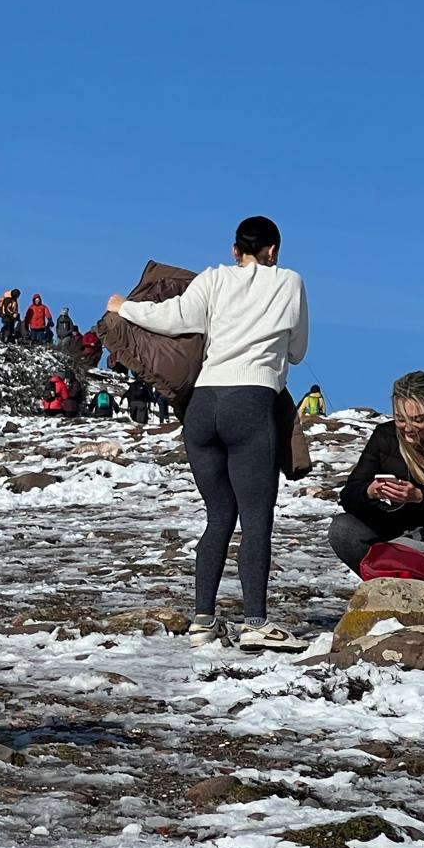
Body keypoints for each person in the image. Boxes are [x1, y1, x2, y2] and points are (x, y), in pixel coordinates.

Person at [107, 215, 309, 652]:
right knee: (256, 521)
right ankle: (255, 621)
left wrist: (124, 308)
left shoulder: (213, 279)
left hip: (202, 408)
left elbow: (172, 317)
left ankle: (203, 620)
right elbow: (297, 351)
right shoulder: (289, 282)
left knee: (219, 517)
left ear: (235, 250)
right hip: (250, 403)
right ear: (272, 251)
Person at [330, 372, 424, 575]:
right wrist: (370, 492)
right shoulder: (385, 437)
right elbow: (349, 494)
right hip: (399, 532)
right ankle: (387, 584)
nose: (408, 429)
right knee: (342, 528)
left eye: (418, 420)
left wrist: (420, 497)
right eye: (400, 419)